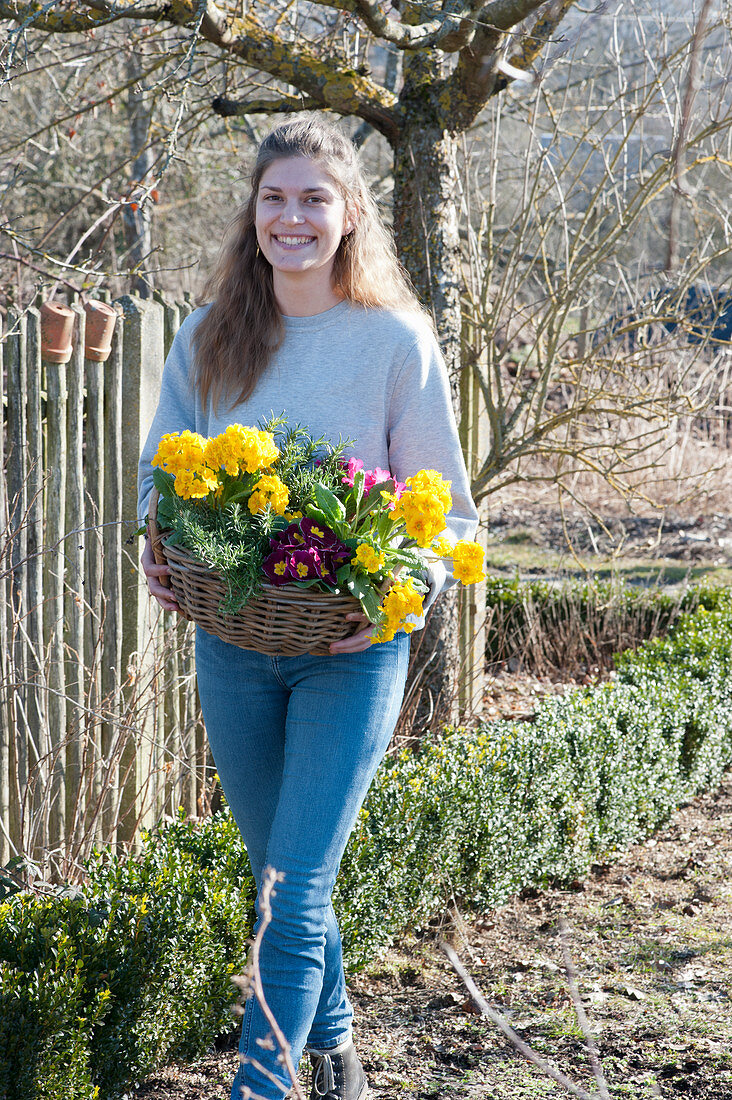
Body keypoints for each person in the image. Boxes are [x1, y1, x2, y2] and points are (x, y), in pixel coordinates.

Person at [137, 117, 478, 1100]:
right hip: (233, 646)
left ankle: (266, 1083)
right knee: (282, 870)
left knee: (292, 890)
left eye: (313, 198)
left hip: (353, 650)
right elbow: (164, 475)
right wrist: (156, 548)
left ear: (350, 213)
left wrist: (404, 596)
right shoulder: (208, 337)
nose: (292, 216)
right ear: (252, 213)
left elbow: (451, 515)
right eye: (274, 197)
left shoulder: (393, 342)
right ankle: (336, 1057)